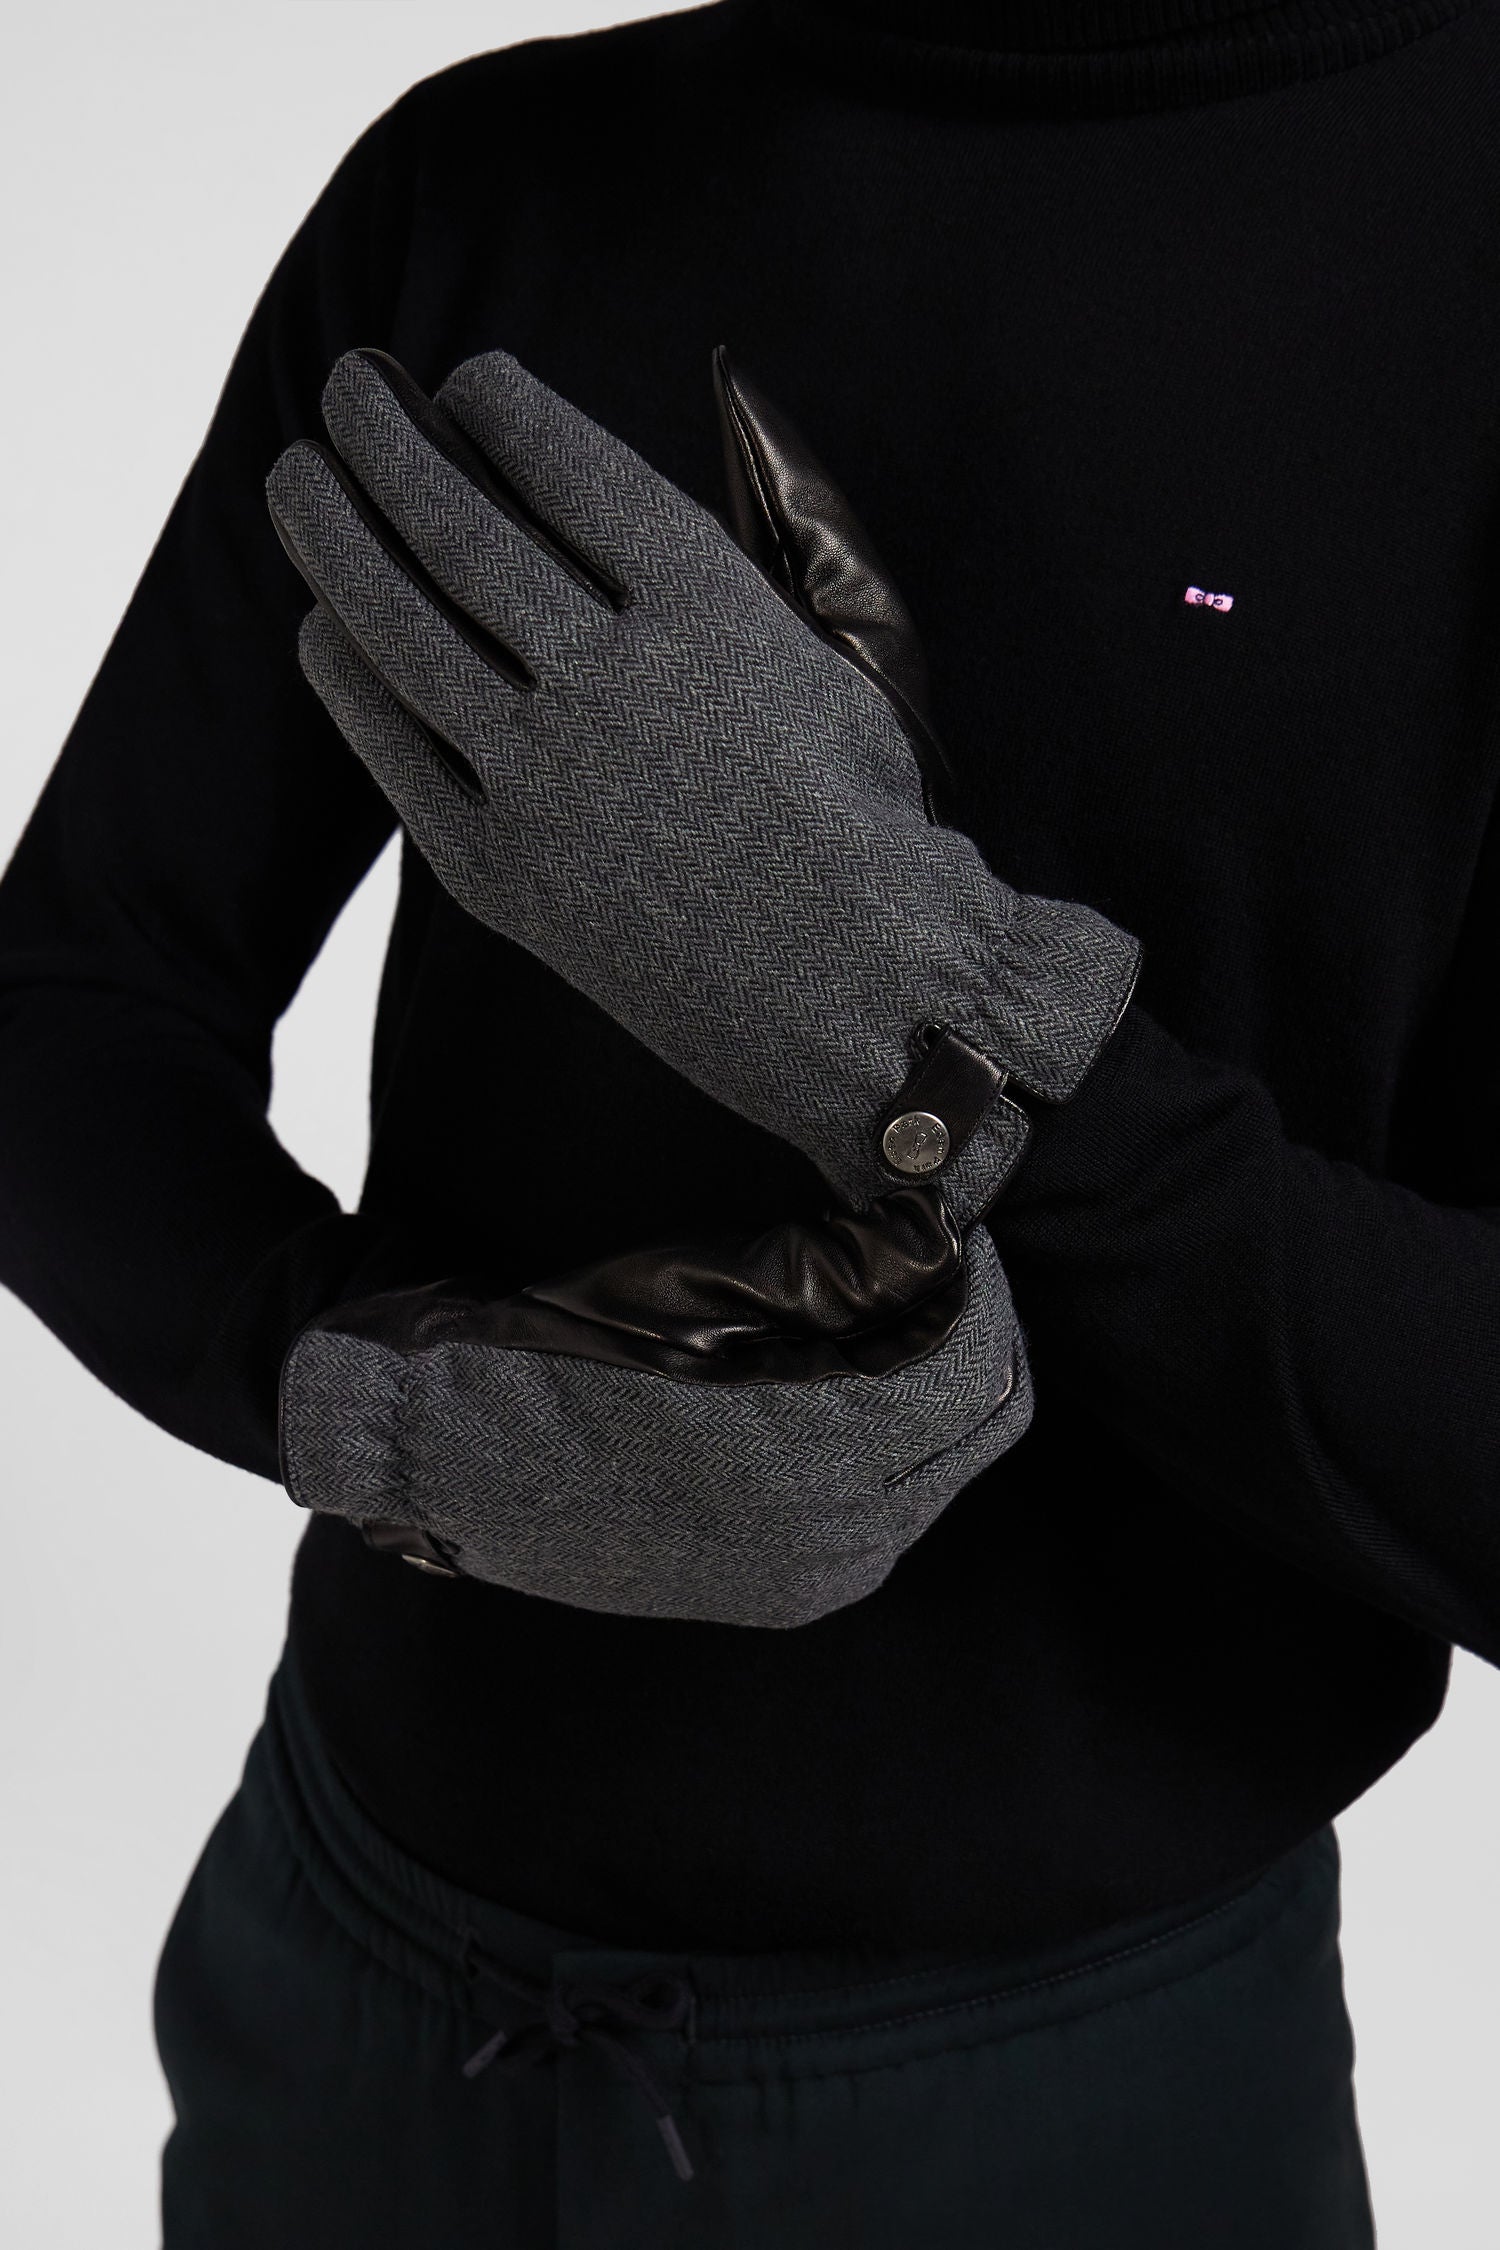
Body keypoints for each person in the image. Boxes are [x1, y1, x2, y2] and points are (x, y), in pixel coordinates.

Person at [2, 0, 1497, 2240]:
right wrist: (358, 1401)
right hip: (358, 1986)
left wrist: (945, 1038)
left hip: (1087, 2110)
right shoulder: (499, 180)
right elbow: (73, 1004)